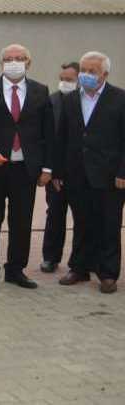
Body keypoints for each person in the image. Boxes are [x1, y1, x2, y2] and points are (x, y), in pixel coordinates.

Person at [0, 44, 54, 291]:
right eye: (8, 59)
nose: (13, 62)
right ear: (1, 63)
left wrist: (48, 168)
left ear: (28, 63)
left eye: (19, 58)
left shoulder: (41, 91)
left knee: (22, 221)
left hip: (26, 169)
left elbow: (48, 132)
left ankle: (16, 270)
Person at [54, 52, 125, 294]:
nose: (85, 75)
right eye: (83, 70)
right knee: (82, 222)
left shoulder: (120, 99)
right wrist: (58, 171)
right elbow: (62, 137)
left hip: (109, 175)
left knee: (109, 224)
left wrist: (122, 172)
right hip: (77, 173)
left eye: (92, 72)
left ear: (104, 74)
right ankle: (80, 267)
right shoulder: (71, 99)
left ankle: (107, 273)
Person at [40, 61, 80, 273]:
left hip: (82, 173)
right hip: (55, 174)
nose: (64, 83)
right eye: (62, 79)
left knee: (84, 219)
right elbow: (48, 139)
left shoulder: (85, 102)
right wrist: (53, 171)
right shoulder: (51, 101)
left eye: (69, 80)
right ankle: (50, 257)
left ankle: (81, 262)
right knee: (55, 214)